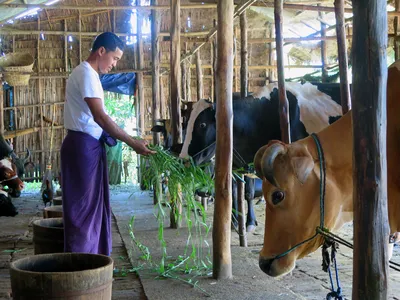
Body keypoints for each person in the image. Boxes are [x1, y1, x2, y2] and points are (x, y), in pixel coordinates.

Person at [61, 32, 155, 256]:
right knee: (83, 212)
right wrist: (132, 142)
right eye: (114, 58)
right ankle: (82, 266)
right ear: (101, 51)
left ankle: (92, 260)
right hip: (82, 149)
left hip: (86, 147)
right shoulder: (86, 74)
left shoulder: (90, 75)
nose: (114, 64)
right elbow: (100, 117)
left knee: (90, 209)